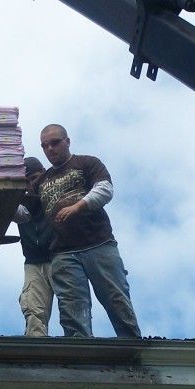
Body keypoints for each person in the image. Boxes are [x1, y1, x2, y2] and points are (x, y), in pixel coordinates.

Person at [38, 123, 141, 338]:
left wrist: (77, 206)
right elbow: (24, 212)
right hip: (63, 252)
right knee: (72, 308)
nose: (50, 149)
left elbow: (105, 190)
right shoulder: (42, 180)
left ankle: (133, 348)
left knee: (116, 299)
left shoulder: (87, 163)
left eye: (55, 143)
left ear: (67, 141)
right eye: (45, 146)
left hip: (99, 244)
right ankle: (79, 356)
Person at [14, 157, 55, 336]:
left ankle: (77, 346)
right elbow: (16, 212)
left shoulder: (55, 193)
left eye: (35, 178)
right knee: (33, 309)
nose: (32, 184)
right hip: (33, 261)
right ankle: (36, 348)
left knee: (71, 303)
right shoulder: (19, 203)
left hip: (59, 255)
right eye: (27, 181)